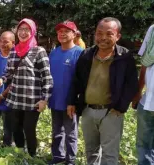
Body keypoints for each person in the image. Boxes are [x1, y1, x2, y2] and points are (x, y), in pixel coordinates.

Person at [67, 17, 138, 165]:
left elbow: (131, 84)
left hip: (111, 112)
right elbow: (76, 80)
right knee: (91, 151)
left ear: (117, 36)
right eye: (99, 33)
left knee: (110, 154)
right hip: (88, 110)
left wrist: (120, 107)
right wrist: (72, 102)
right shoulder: (87, 55)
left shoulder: (124, 57)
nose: (103, 37)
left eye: (109, 34)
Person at [0, 18, 53, 157]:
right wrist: (2, 79)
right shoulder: (13, 51)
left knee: (29, 129)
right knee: (16, 128)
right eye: (20, 29)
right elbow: (9, 72)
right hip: (15, 98)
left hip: (32, 100)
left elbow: (46, 76)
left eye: (27, 30)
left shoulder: (38, 51)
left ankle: (32, 156)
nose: (23, 33)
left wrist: (44, 99)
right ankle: (20, 153)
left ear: (33, 32)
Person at [48, 21, 83, 165]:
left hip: (70, 101)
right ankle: (58, 157)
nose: (62, 33)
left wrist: (74, 101)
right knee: (56, 131)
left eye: (66, 31)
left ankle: (71, 160)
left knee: (71, 133)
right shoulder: (54, 52)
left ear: (74, 34)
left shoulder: (80, 53)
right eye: (60, 31)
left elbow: (81, 80)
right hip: (55, 99)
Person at [132, 24, 154, 165]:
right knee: (143, 146)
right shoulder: (153, 30)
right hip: (147, 102)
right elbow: (145, 63)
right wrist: (138, 92)